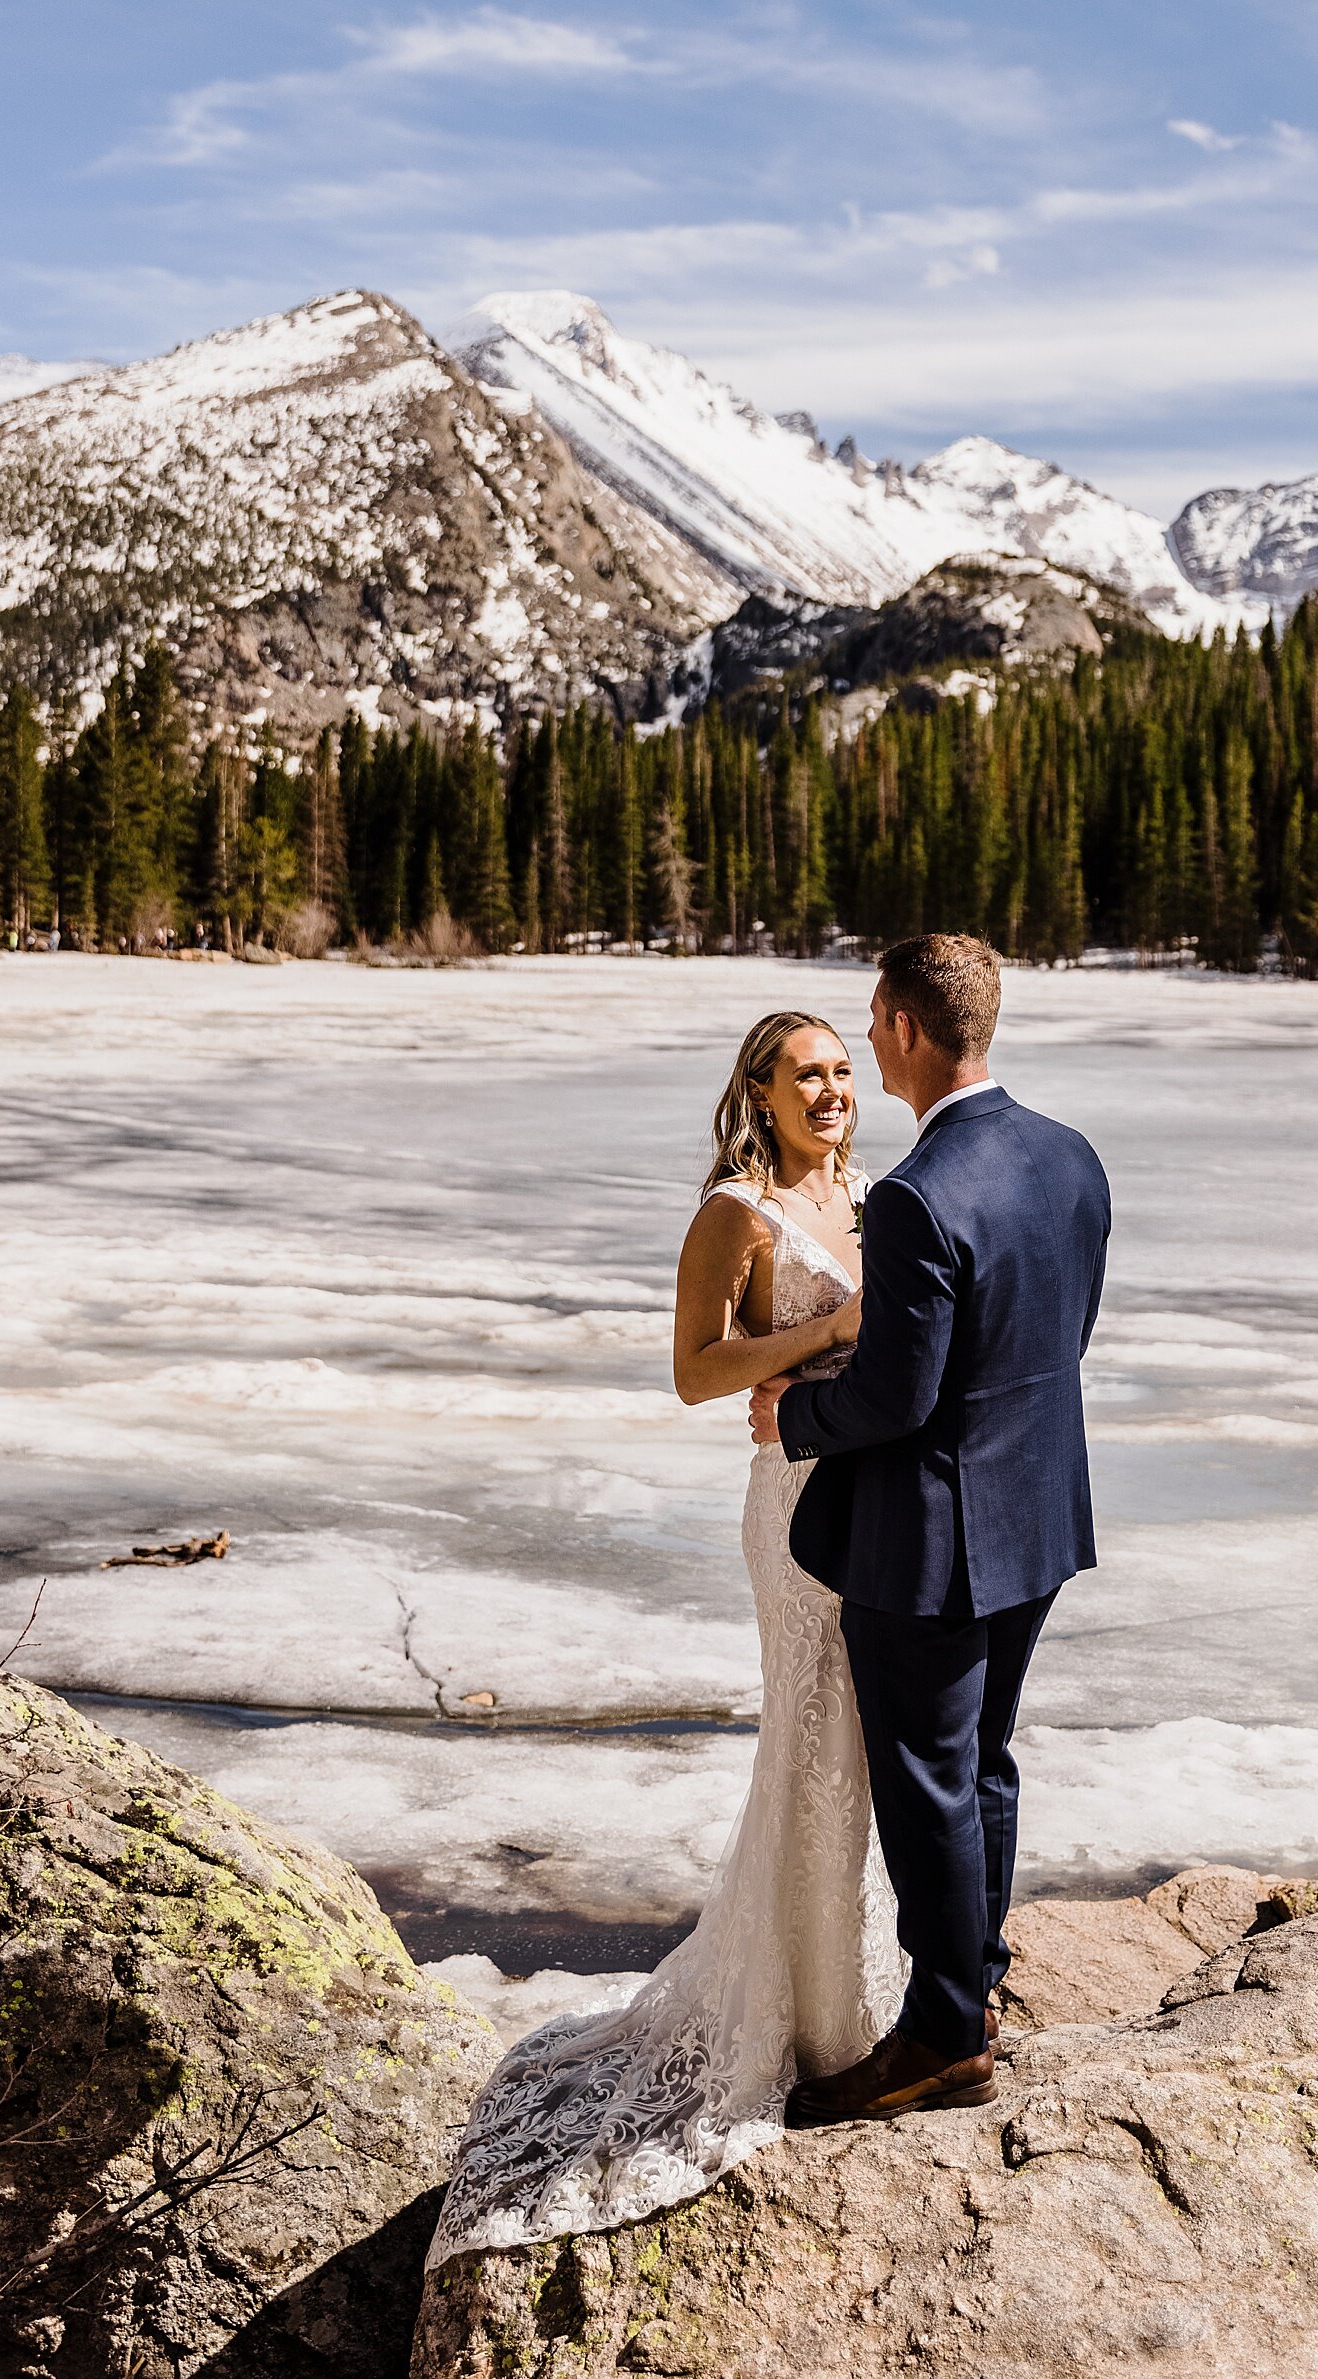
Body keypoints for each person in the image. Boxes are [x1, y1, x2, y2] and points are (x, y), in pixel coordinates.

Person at [428, 1010, 902, 2261]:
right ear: (757, 1088)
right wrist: (822, 1338)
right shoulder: (735, 1211)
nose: (834, 1090)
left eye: (845, 1070)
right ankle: (798, 2017)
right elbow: (697, 1371)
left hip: (879, 1496)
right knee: (808, 1733)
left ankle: (846, 1985)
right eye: (808, 1074)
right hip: (795, 1505)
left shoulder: (871, 1193)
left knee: (863, 1744)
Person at [751, 933, 1111, 2125]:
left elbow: (897, 1398)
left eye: (873, 1023)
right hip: (1039, 1512)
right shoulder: (1069, 1157)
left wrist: (795, 1409)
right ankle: (977, 1986)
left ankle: (945, 2032)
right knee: (985, 1759)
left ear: (906, 1028)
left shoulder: (915, 1194)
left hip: (930, 1540)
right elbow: (1060, 1336)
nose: (867, 1050)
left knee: (927, 1780)